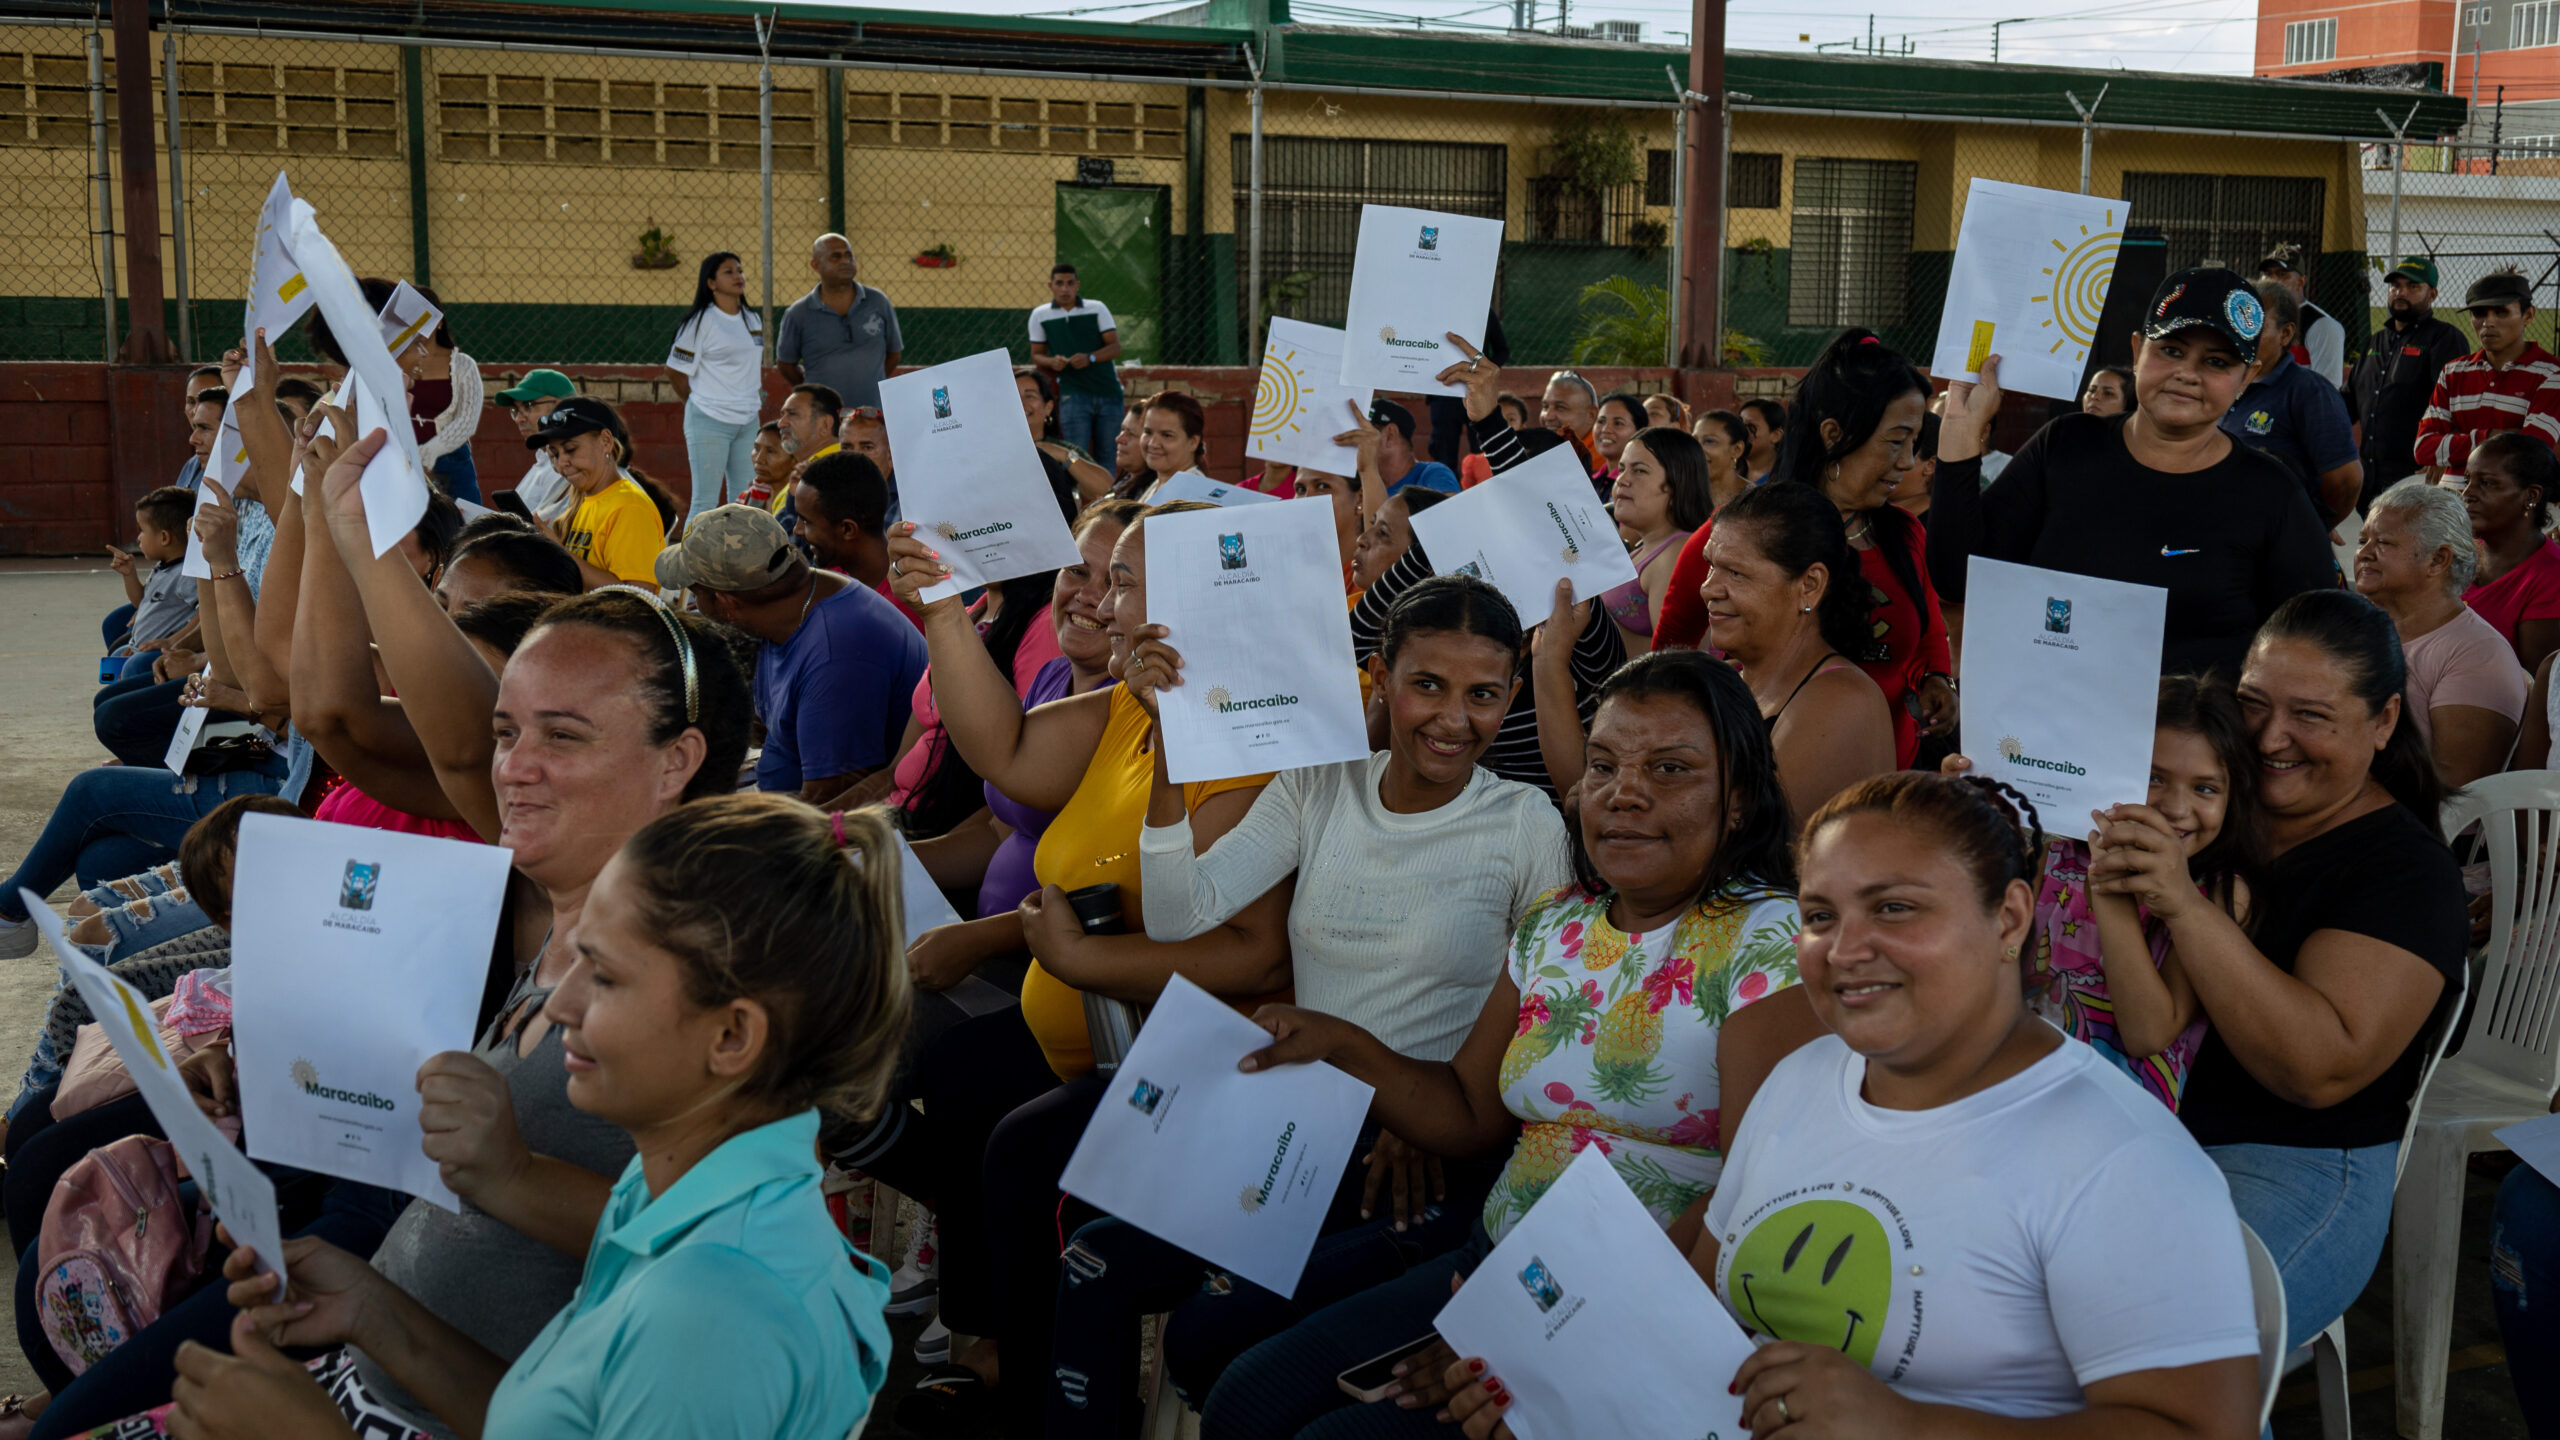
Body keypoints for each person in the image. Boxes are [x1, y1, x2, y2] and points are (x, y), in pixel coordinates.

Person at [1458, 772, 2253, 1440]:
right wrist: (1550, 1374)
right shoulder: (1800, 1080)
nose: (1845, 949)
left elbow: (2201, 1430)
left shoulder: (2120, 1155)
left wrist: (1908, 1427)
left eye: (1895, 908)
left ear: (2010, 918)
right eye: (1819, 916)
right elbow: (1693, 1316)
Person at [1201, 649, 1827, 1440]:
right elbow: (1470, 1111)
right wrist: (1337, 1044)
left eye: (1670, 769)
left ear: (1738, 801)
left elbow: (1751, 1195)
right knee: (1245, 1400)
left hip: (1623, 1307)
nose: (1624, 792)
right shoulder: (1557, 924)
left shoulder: (1772, 942)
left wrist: (1534, 1332)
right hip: (1499, 1259)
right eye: (1603, 766)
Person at [168, 793, 904, 1440]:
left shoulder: (711, 1307)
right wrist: (372, 1311)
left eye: (604, 975)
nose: (561, 1003)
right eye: (573, 960)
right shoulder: (683, 1190)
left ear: (732, 1036)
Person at [1034, 577, 1574, 1439]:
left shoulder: (1524, 822)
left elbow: (1545, 1004)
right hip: (1298, 1127)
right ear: (1381, 677)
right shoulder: (1321, 786)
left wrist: (1423, 1106)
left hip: (1418, 1160)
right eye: (1427, 685)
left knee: (1220, 1331)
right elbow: (1181, 914)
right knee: (1096, 1258)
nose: (1453, 719)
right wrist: (1172, 760)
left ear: (1511, 696)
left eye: (1482, 694)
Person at [879, 501, 1289, 1437]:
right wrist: (942, 608)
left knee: (1023, 1155)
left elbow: (1243, 945)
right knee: (963, 1075)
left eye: (1127, 582)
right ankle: (995, 1354)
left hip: (1189, 1053)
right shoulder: (1128, 708)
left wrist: (1077, 956)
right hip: (1092, 1030)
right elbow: (1006, 752)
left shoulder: (1254, 728)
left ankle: (1039, 1402)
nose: (1104, 603)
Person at [2139, 590, 2467, 1352]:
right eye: (2253, 703)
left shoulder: (2404, 872)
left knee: (2168, 1346)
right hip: (2142, 1135)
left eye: (2310, 716)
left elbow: (2319, 1070)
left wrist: (2184, 906)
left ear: (2383, 721)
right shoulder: (2200, 802)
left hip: (2296, 1163)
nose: (2268, 737)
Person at [1928, 268, 2335, 679]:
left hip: (2197, 721)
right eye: (2171, 350)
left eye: (2216, 362)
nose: (2187, 373)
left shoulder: (2271, 493)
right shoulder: (2064, 447)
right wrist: (1960, 433)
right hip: (2046, 710)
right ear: (2138, 350)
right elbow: (1957, 577)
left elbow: (2317, 641)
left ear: (2246, 378)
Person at [1657, 330, 1955, 768]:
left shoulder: (1906, 534)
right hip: (1769, 778)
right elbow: (1670, 654)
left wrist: (1937, 678)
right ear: (1834, 434)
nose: (1908, 461)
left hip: (1887, 782)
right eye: (1896, 441)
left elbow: (1927, 630)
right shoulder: (1739, 531)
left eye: (1914, 442)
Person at [657, 504, 925, 807]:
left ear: (726, 601)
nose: (695, 607)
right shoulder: (789, 603)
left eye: (696, 594)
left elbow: (831, 805)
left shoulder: (835, 656)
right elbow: (777, 728)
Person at [1677, 482, 1893, 832]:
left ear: (1810, 585)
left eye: (1735, 573)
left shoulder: (1841, 700)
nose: (1708, 588)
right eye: (1711, 567)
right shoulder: (1731, 677)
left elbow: (1741, 842)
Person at [2355, 478, 2528, 786]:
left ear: (2438, 560)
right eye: (2362, 540)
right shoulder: (2357, 630)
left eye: (2383, 543)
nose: (2364, 553)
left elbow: (2454, 790)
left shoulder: (2477, 655)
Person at [2221, 278, 2361, 523]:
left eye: (2256, 325)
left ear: (2285, 334)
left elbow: (2346, 481)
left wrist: (2313, 527)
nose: (2243, 335)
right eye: (2239, 324)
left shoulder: (2310, 392)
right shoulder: (2222, 381)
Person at [2350, 256, 2472, 507]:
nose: (2401, 292)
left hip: (2417, 477)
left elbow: (2457, 405)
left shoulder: (2445, 338)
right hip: (2369, 477)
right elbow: (2348, 400)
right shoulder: (2375, 342)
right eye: (2395, 286)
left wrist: (2443, 455)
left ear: (2432, 294)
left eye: (2413, 286)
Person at [2414, 267, 2560, 473]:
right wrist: (2493, 436)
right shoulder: (2453, 372)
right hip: (2449, 492)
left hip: (2507, 494)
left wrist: (2453, 445)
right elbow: (2423, 448)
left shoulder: (2552, 374)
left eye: (2501, 312)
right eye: (2479, 313)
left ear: (2528, 315)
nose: (2488, 322)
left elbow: (2531, 452)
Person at [665, 250, 766, 528]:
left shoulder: (752, 319)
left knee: (745, 502)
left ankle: (738, 555)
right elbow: (674, 371)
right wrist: (697, 402)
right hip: (709, 419)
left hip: (748, 419)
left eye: (740, 270)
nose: (738, 276)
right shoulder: (700, 322)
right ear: (711, 283)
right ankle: (689, 557)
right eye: (728, 272)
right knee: (705, 503)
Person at [1601, 425, 1711, 653]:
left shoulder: (1675, 554)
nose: (1622, 480)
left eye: (1639, 471)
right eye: (1622, 469)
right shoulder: (1646, 548)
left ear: (1676, 484)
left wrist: (1590, 627)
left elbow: (1676, 659)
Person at [529, 397, 661, 588]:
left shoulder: (630, 507)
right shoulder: (585, 501)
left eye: (571, 449)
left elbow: (637, 595)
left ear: (606, 441)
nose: (562, 463)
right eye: (555, 455)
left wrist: (560, 553)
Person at [2459, 430, 2560, 674]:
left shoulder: (2551, 579)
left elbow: (2537, 685)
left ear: (2531, 496)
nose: (2467, 494)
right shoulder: (2456, 553)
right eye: (2467, 481)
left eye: (2487, 483)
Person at [791, 449, 920, 626]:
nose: (797, 530)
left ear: (847, 529)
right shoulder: (828, 582)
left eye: (806, 521)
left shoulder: (910, 605)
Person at [775, 232, 901, 413]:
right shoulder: (798, 313)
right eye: (836, 256)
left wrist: (873, 383)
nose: (845, 261)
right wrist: (816, 394)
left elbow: (894, 354)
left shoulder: (878, 302)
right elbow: (786, 365)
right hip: (822, 416)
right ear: (815, 265)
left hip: (872, 413)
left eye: (849, 255)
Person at [1027, 261, 1124, 465]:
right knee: (1075, 459)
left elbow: (1115, 348)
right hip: (1073, 395)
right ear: (1050, 286)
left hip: (1109, 393)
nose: (1065, 289)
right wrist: (1052, 362)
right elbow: (1037, 355)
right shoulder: (1040, 315)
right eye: (1059, 283)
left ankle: (1110, 489)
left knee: (1109, 455)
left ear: (1077, 285)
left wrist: (1090, 358)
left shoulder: (1097, 308)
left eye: (1070, 283)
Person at [104, 486, 200, 682]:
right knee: (116, 657)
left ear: (164, 537)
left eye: (142, 530)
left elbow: (204, 615)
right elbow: (141, 603)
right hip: (140, 645)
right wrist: (129, 575)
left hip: (166, 650)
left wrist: (172, 641)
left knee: (133, 667)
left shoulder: (187, 575)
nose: (138, 537)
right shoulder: (162, 567)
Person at [400, 285, 484, 505]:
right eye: (410, 318)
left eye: (423, 318)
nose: (417, 326)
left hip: (452, 462)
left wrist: (428, 453)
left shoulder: (463, 365)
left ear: (439, 322)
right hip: (402, 461)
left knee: (466, 521)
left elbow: (466, 422)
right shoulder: (395, 363)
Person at [1017, 364, 1116, 507]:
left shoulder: (1061, 450)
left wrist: (1064, 456)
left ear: (1048, 407)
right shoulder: (992, 449)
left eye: (1030, 396)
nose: (1020, 403)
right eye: (1014, 396)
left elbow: (1107, 491)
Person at [490, 369, 578, 525]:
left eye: (528, 406)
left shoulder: (569, 466)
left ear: (560, 406)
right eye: (515, 410)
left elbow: (544, 528)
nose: (519, 419)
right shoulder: (542, 461)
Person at [2259, 242, 2345, 386]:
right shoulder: (2256, 319)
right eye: (2268, 274)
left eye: (2281, 274)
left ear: (2300, 282)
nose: (2272, 280)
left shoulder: (2323, 326)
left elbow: (2325, 390)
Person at [772, 382, 843, 515]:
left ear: (825, 424)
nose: (781, 423)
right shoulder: (806, 468)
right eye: (782, 415)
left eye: (792, 414)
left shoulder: (839, 467)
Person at [1124, 392, 1212, 500]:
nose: (1153, 444)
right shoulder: (1161, 483)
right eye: (1148, 432)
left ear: (1193, 442)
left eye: (1166, 435)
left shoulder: (1193, 494)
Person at [1364, 400, 1459, 497]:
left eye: (1364, 433)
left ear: (1390, 434)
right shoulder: (1361, 482)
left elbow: (1452, 506)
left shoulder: (1433, 474)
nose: (1357, 440)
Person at [1690, 408, 1752, 513]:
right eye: (1694, 441)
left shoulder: (1754, 500)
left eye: (1709, 441)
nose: (1697, 449)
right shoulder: (1680, 495)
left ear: (1737, 449)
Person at [1589, 393, 1645, 490]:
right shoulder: (1591, 481)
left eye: (1618, 423)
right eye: (1601, 421)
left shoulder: (1641, 483)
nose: (1605, 429)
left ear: (1639, 431)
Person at [738, 420, 792, 510]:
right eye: (756, 448)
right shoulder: (747, 498)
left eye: (771, 451)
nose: (759, 459)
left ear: (795, 459)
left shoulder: (803, 504)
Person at [1536, 371, 1597, 450]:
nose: (1548, 417)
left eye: (1560, 407)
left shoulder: (1606, 454)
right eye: (1545, 407)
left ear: (1591, 415)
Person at [1738, 396, 1785, 483]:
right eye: (1740, 425)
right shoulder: (1728, 476)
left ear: (1776, 435)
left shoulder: (1787, 481)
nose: (1741, 431)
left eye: (1751, 427)